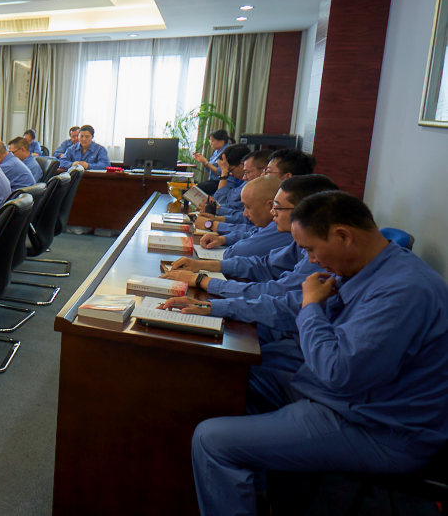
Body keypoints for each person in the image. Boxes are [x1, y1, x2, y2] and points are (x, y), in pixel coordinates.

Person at [185, 191, 448, 516]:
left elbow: (338, 372)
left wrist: (311, 307)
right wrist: (212, 307)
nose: (310, 260)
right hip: (345, 399)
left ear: (343, 236)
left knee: (212, 441)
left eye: (311, 249)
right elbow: (288, 306)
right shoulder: (364, 266)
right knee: (232, 378)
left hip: (377, 426)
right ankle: (255, 496)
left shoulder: (402, 291)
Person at [163, 175, 339, 301]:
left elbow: (276, 294)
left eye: (277, 207)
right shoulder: (299, 241)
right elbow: (263, 264)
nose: (272, 212)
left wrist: (201, 280)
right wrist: (201, 265)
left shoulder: (319, 251)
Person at [199, 176, 292, 260]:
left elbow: (236, 252)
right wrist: (223, 239)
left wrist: (214, 225)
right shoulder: (268, 223)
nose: (245, 214)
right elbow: (252, 232)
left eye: (248, 207)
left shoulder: (282, 226)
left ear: (270, 205)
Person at [191, 129, 233, 195]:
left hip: (221, 182)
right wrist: (202, 161)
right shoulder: (217, 151)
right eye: (210, 141)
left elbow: (220, 172)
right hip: (213, 180)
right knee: (193, 187)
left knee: (194, 190)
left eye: (213, 141)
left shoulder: (227, 151)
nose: (211, 143)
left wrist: (206, 162)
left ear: (221, 141)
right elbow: (209, 168)